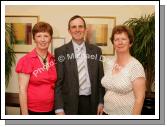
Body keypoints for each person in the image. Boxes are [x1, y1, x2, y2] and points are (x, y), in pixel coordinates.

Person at [54, 15, 105, 115]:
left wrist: (101, 101)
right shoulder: (60, 52)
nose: (77, 30)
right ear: (69, 31)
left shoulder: (96, 51)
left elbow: (100, 80)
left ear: (85, 29)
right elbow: (58, 83)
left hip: (92, 103)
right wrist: (59, 108)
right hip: (69, 104)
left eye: (80, 26)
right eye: (74, 27)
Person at [101, 25, 146, 115]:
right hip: (106, 112)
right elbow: (109, 88)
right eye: (116, 39)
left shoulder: (135, 66)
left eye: (124, 39)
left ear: (130, 43)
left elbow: (139, 99)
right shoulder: (109, 63)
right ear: (113, 44)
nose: (120, 42)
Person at [16, 22, 57, 115]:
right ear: (34, 38)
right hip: (33, 111)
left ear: (50, 39)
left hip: (52, 109)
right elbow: (22, 90)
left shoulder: (54, 59)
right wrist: (25, 116)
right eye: (39, 36)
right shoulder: (26, 60)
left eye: (46, 36)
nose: (43, 40)